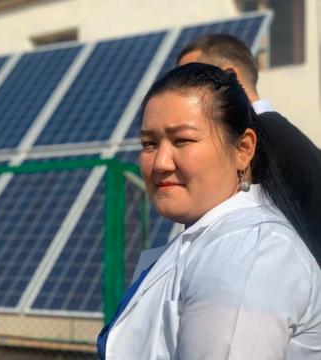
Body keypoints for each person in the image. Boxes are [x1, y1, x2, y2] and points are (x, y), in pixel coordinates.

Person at [97, 63, 321, 359]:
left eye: (182, 141)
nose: (161, 162)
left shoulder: (248, 252)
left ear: (243, 149)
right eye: (149, 143)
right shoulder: (210, 238)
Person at [176, 34, 321, 261]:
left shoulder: (264, 139)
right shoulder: (278, 134)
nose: (179, 94)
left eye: (192, 81)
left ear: (231, 77)